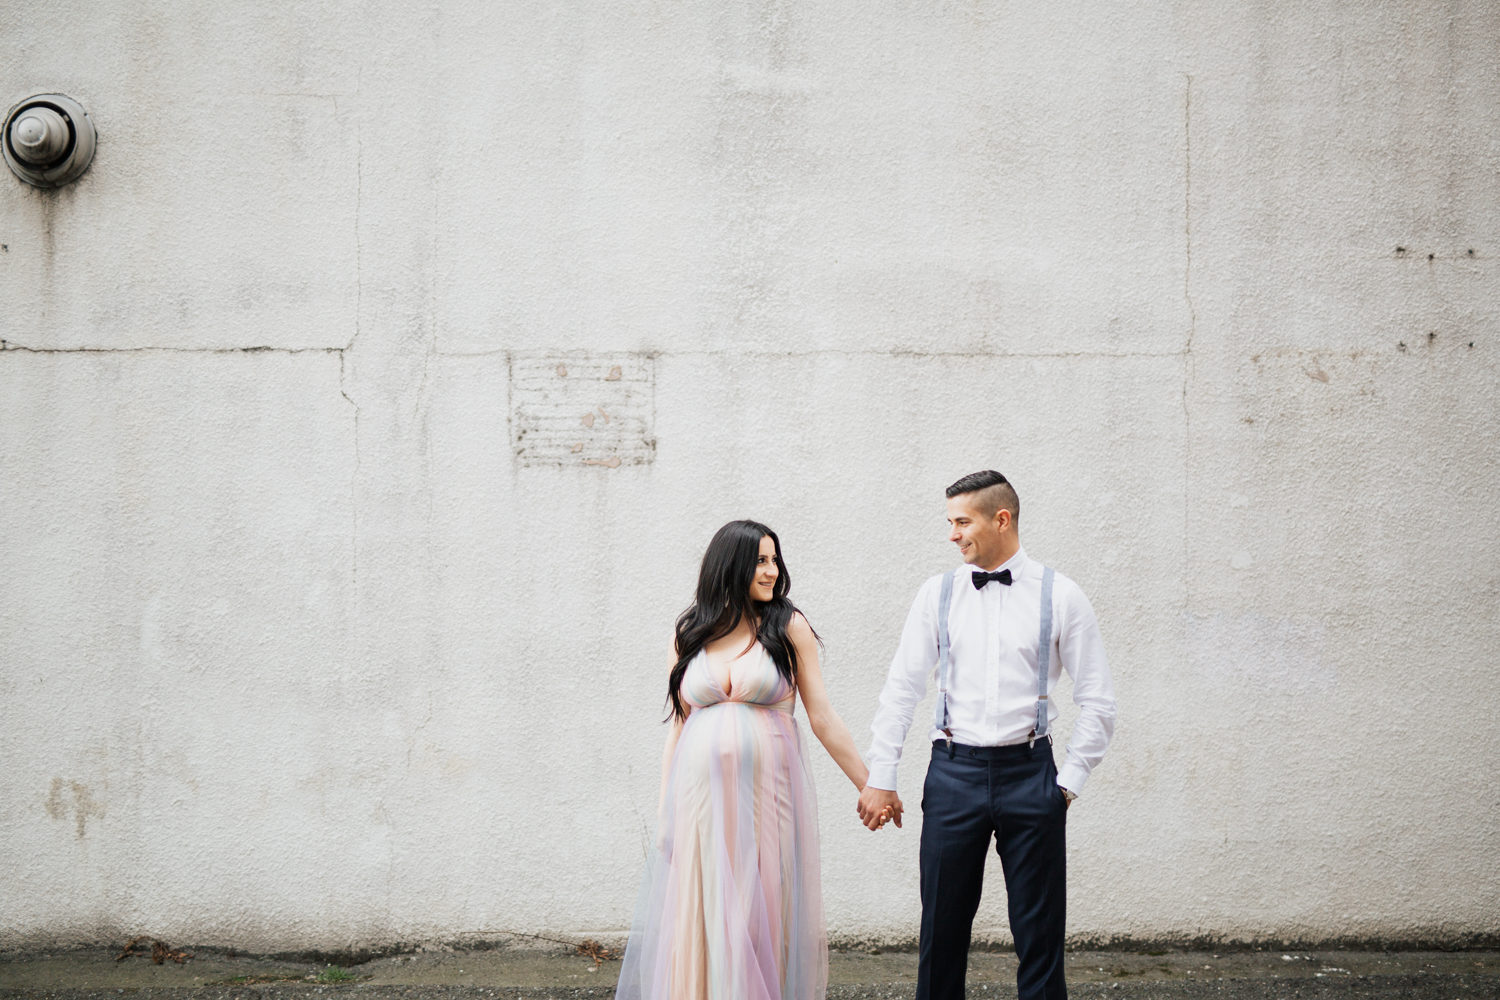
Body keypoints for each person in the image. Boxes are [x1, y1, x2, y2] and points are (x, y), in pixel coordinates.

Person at [856, 471, 1117, 1000]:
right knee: (941, 935)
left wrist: (1067, 783)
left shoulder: (1061, 595)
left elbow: (1099, 702)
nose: (952, 534)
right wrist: (880, 776)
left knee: (1040, 937)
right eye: (949, 522)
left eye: (961, 521)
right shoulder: (938, 593)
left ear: (1001, 519)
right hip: (954, 774)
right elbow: (900, 690)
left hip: (1032, 775)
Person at [616, 519, 884, 1000]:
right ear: (731, 564)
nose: (772, 570)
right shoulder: (690, 632)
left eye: (774, 559)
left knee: (757, 915)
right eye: (760, 560)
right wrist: (665, 816)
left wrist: (870, 784)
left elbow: (821, 716)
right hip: (700, 806)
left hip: (767, 801)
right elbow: (678, 729)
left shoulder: (788, 626)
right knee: (702, 917)